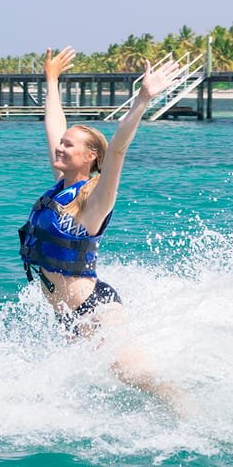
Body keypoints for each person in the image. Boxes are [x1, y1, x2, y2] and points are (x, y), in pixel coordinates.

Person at [18, 46, 187, 412]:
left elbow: (119, 149)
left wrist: (142, 100)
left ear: (90, 156)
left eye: (68, 145)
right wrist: (51, 79)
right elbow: (54, 124)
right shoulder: (61, 189)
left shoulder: (95, 200)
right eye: (61, 144)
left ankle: (196, 417)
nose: (60, 147)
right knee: (92, 386)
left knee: (140, 377)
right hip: (66, 315)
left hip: (94, 309)